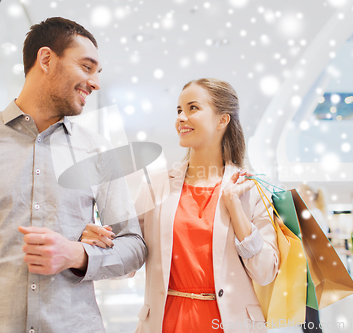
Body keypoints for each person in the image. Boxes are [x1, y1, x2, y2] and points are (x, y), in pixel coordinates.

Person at [0, 17, 146, 332]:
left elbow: (134, 246)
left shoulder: (99, 152)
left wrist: (77, 253)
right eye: (86, 67)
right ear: (45, 59)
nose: (95, 83)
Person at [83, 78, 280, 332]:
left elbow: (265, 273)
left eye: (192, 108)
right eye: (179, 110)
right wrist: (98, 241)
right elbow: (127, 259)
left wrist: (235, 207)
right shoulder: (156, 186)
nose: (181, 118)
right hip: (168, 322)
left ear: (223, 120)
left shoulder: (251, 190)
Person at [297, 183, 329, 333]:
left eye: (301, 193)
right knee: (307, 312)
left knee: (311, 313)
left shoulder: (314, 214)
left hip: (311, 268)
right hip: (309, 267)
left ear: (308, 195)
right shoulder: (314, 213)